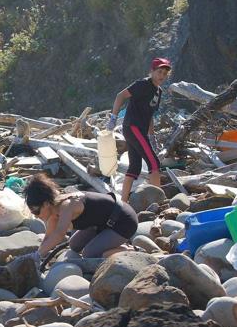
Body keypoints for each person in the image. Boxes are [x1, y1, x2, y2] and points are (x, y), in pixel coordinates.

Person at [24, 174, 138, 260]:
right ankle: (110, 243)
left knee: (90, 254)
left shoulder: (67, 205)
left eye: (36, 212)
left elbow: (59, 234)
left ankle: (130, 251)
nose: (36, 216)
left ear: (46, 204)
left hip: (123, 221)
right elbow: (49, 237)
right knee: (74, 245)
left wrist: (36, 256)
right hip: (101, 223)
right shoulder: (54, 211)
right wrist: (35, 257)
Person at [107, 57, 172, 202]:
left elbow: (150, 115)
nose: (161, 75)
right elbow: (120, 96)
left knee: (135, 167)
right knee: (154, 163)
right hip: (132, 126)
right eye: (159, 71)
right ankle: (160, 202)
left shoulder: (158, 91)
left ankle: (123, 202)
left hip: (139, 130)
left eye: (164, 73)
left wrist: (152, 136)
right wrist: (113, 117)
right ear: (152, 71)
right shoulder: (143, 84)